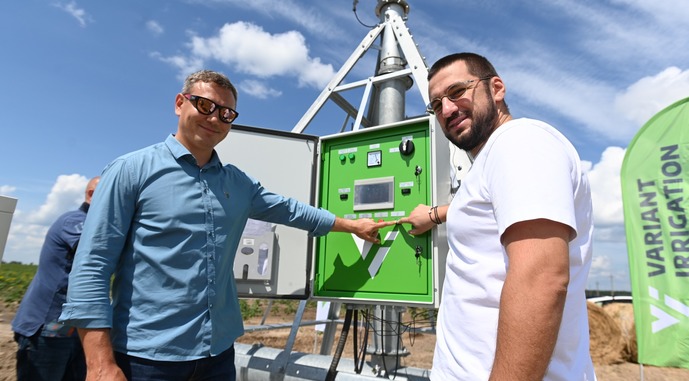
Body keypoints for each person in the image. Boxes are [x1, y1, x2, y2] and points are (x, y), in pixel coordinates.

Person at [58, 70, 391, 381]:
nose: (215, 118)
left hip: (217, 355)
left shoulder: (238, 184)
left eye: (226, 113)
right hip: (147, 358)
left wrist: (352, 225)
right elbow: (92, 266)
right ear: (179, 103)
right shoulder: (132, 170)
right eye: (205, 105)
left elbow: (290, 211)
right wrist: (100, 363)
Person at [398, 53, 596, 380]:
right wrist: (433, 215)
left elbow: (541, 280)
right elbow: (481, 210)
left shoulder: (520, 142)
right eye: (435, 105)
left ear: (497, 88)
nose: (446, 109)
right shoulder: (494, 161)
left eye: (457, 91)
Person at [12, 176, 100, 381]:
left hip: (72, 331)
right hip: (46, 329)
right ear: (92, 194)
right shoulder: (74, 221)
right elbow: (96, 251)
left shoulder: (93, 224)